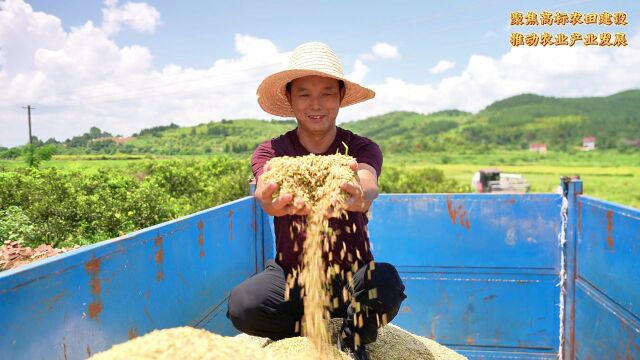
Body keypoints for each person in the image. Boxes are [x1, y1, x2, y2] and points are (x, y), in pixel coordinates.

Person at [226, 42, 406, 360]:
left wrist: (361, 195)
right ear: (291, 99)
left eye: (326, 93)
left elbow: (367, 181)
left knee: (386, 283)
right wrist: (269, 198)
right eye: (304, 93)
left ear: (339, 98)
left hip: (351, 277)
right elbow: (266, 181)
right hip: (293, 276)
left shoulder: (360, 148)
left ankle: (352, 338)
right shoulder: (272, 151)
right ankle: (303, 333)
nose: (316, 104)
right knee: (244, 305)